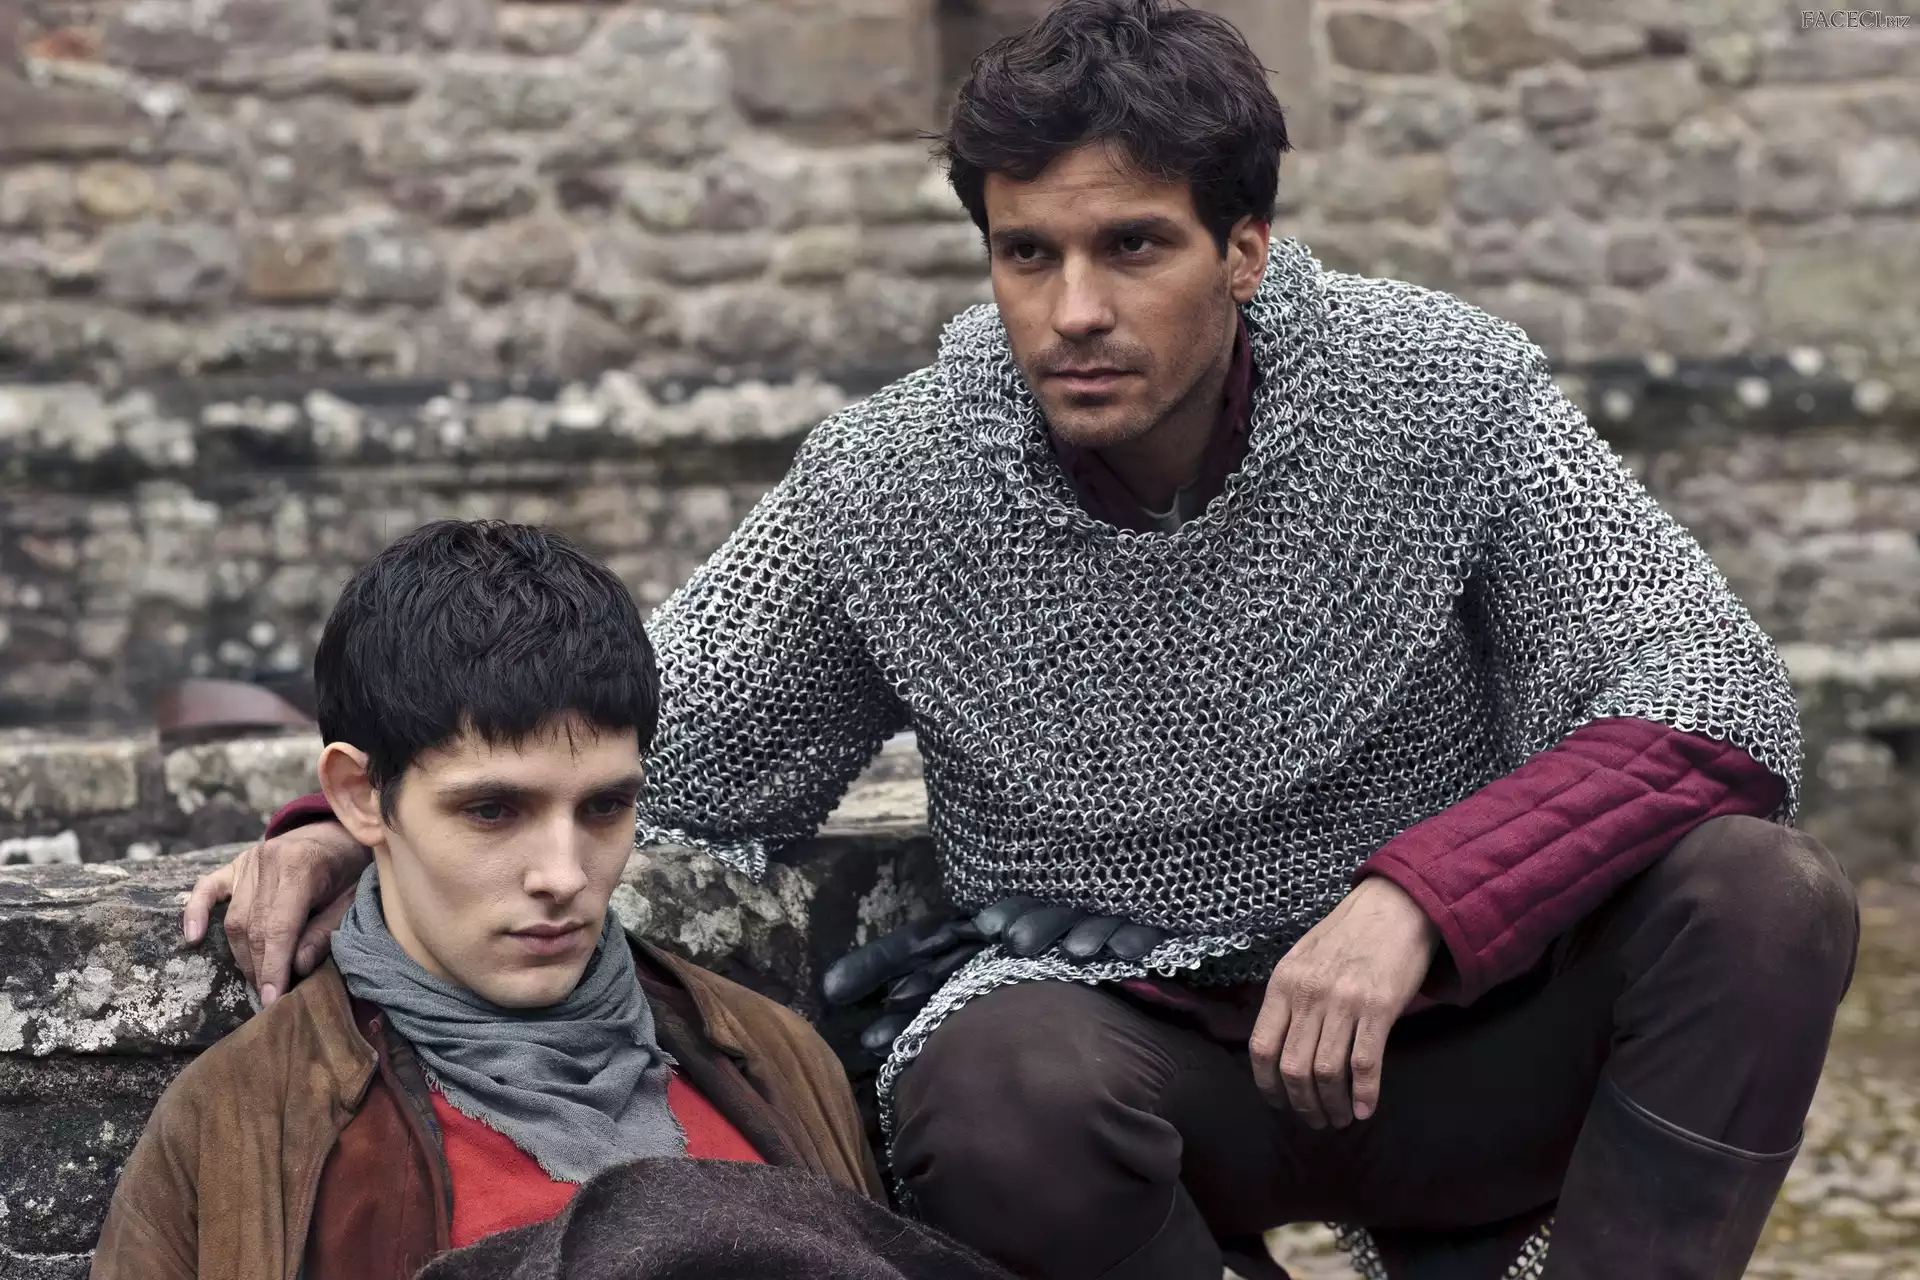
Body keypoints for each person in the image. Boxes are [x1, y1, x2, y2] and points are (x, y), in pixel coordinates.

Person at [182, 2, 1861, 1277]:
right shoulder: (898, 479)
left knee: (1762, 898)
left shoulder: (1440, 392)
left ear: (1245, 248)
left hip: (1463, 1028)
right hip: (1148, 1058)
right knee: (988, 1085)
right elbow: (662, 716)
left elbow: (1713, 693)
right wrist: (355, 816)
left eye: (1133, 247)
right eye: (1027, 254)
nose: (1074, 312)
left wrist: (1417, 899)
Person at [101, 521, 1007, 1280]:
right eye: (493, 811)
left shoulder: (774, 1059)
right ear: (359, 798)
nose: (564, 875)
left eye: (605, 807)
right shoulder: (241, 1123)